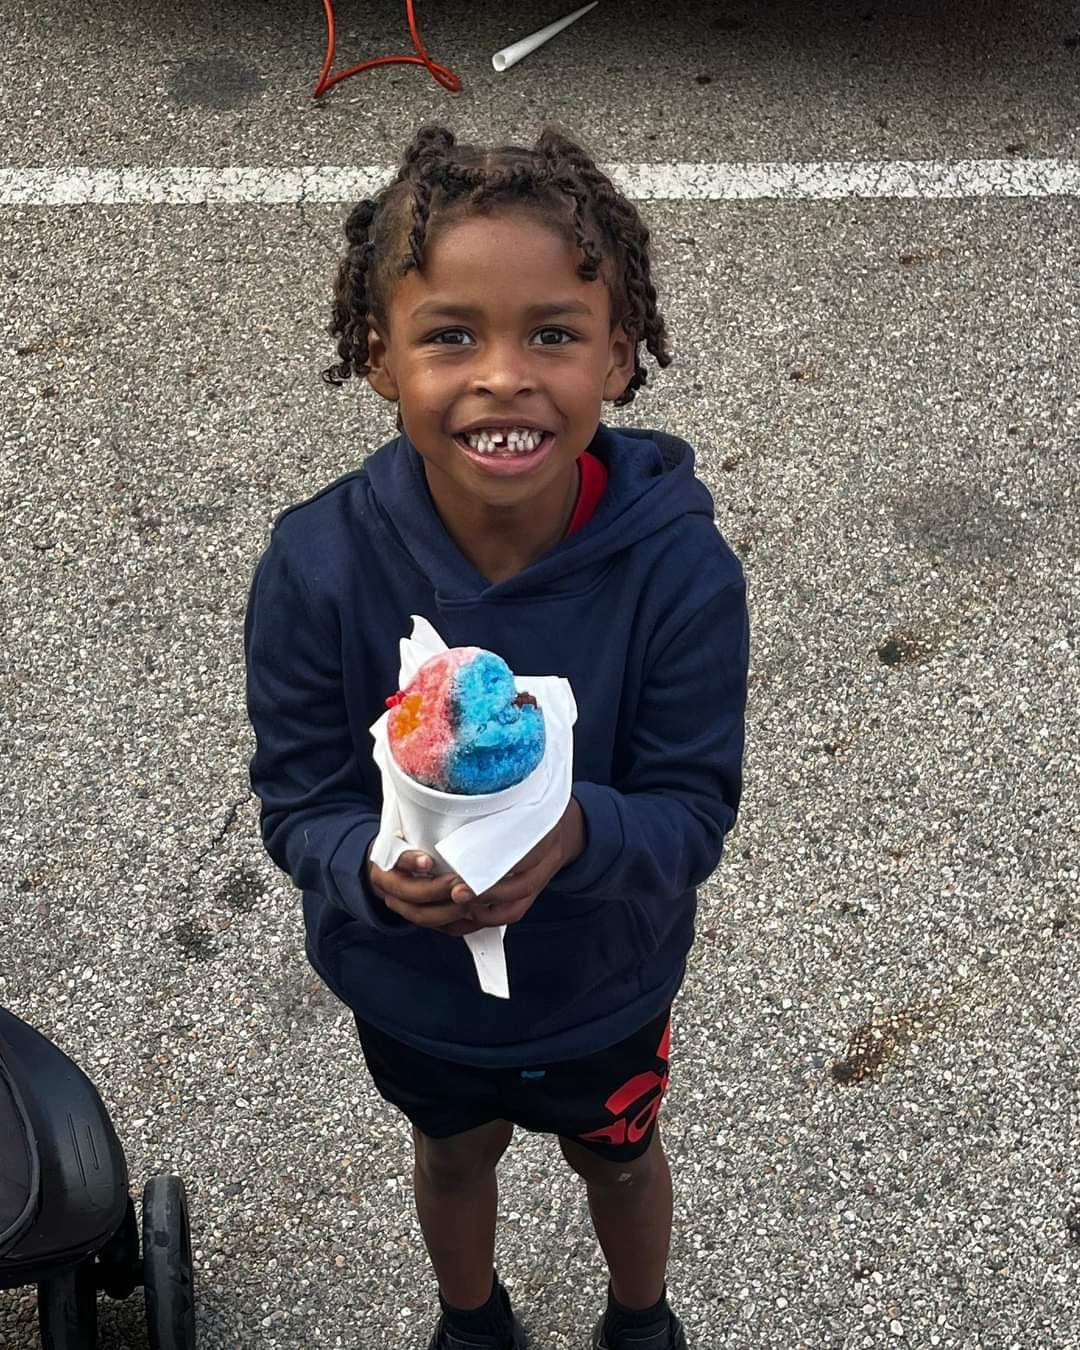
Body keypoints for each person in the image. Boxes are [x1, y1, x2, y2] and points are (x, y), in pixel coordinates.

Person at [244, 122, 749, 1350]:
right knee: (452, 1156)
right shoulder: (318, 568)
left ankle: (641, 1319)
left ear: (622, 359)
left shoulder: (679, 573)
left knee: (622, 1163)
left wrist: (577, 834)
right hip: (418, 993)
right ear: (379, 357)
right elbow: (301, 798)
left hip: (603, 989)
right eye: (451, 334)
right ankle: (472, 1322)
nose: (504, 375)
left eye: (556, 335)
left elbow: (693, 809)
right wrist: (366, 869)